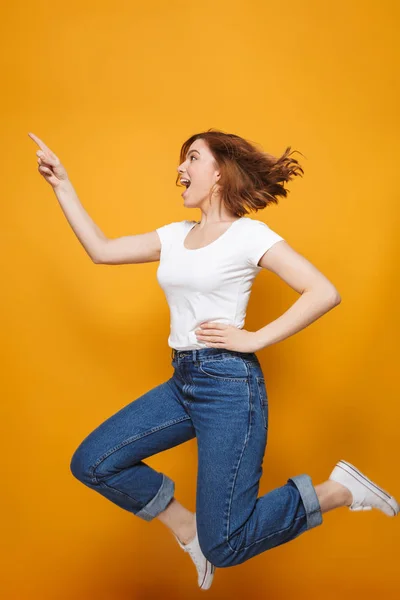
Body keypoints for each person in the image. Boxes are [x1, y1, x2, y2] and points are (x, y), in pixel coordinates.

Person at [29, 129, 399, 591]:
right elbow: (102, 251)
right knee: (94, 462)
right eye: (181, 161)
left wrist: (254, 339)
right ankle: (188, 531)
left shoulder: (249, 235)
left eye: (192, 158)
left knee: (226, 543)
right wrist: (62, 184)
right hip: (183, 381)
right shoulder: (175, 235)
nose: (180, 170)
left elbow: (323, 291)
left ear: (219, 171)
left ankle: (336, 490)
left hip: (229, 386)